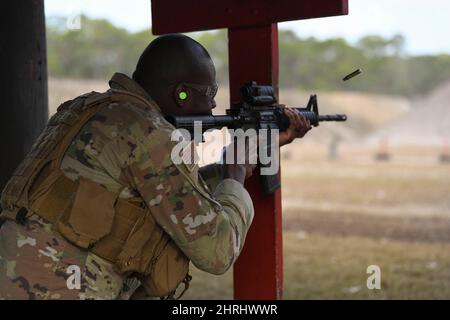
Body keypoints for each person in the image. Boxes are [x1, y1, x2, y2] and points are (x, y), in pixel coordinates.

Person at [0, 34, 311, 300]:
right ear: (181, 94)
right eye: (210, 94)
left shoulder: (91, 108)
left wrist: (245, 158)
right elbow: (217, 250)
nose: (214, 107)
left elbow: (163, 189)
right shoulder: (153, 136)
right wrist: (236, 171)